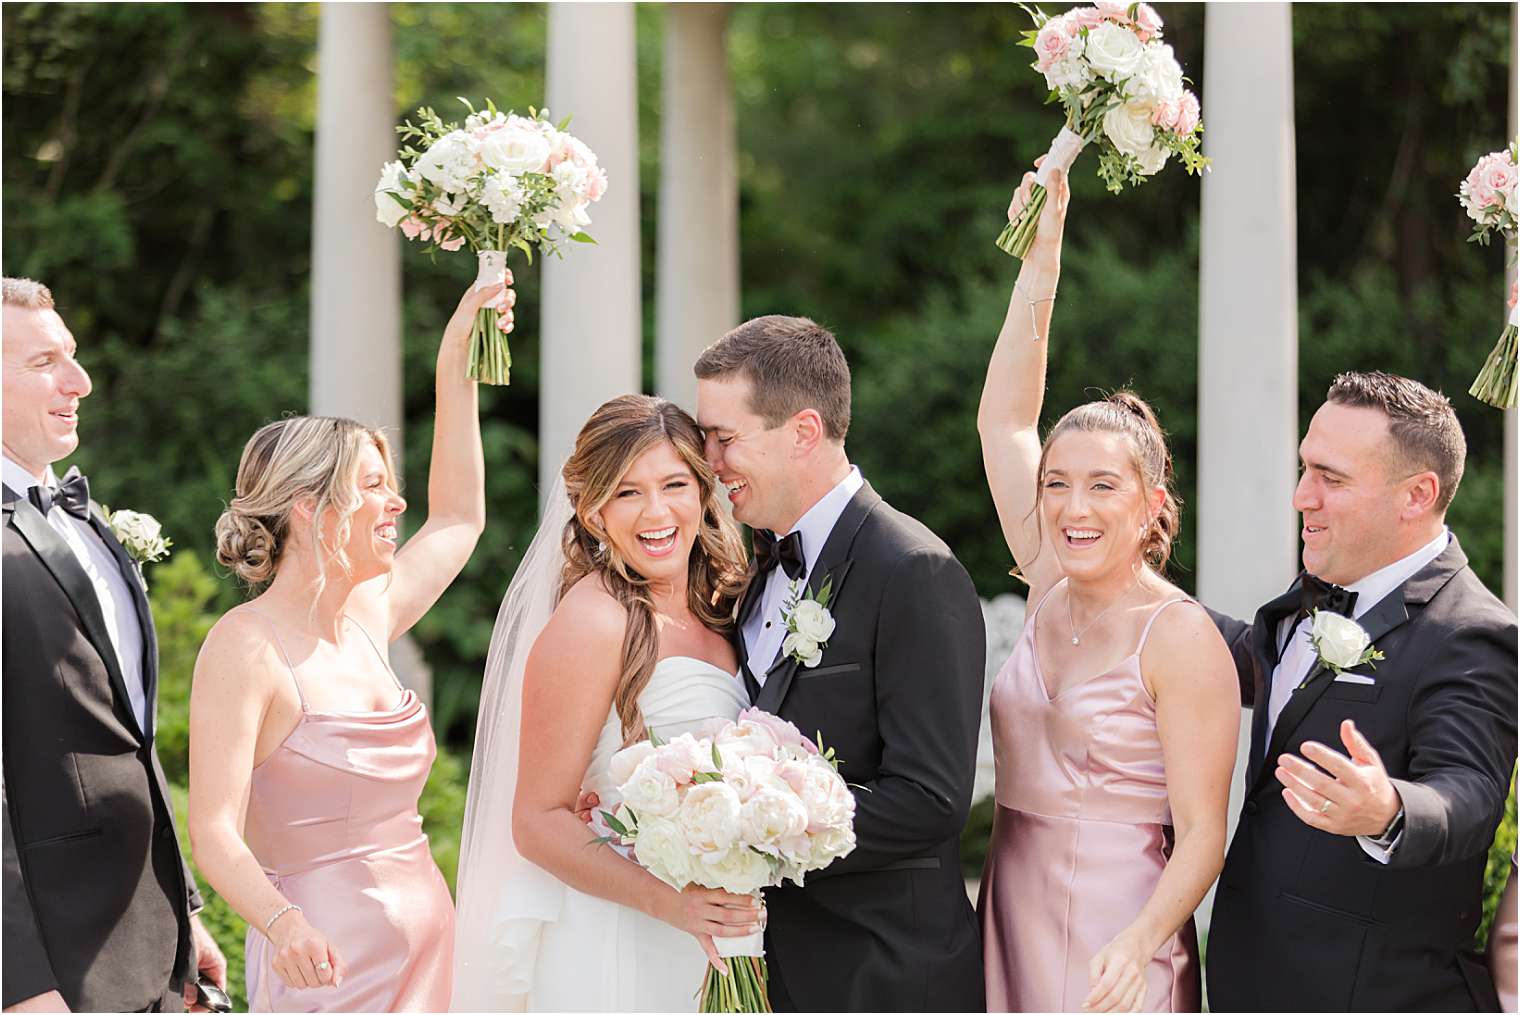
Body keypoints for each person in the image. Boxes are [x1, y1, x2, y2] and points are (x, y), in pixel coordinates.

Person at [187, 280, 501, 1011]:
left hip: (430, 946)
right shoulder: (246, 646)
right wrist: (282, 923)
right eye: (375, 486)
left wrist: (457, 356)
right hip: (325, 963)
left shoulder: (368, 617)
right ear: (311, 506)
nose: (397, 503)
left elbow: (458, 516)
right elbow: (212, 829)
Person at [975, 170, 1239, 1014]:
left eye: (1101, 487)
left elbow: (1202, 831)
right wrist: (1041, 254)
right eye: (1055, 484)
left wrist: (1138, 939)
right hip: (1010, 902)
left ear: (1151, 503)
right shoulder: (1048, 578)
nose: (1071, 507)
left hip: (1120, 931)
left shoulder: (1179, 634)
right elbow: (1004, 419)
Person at [692, 315, 987, 1012]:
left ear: (801, 431)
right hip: (777, 968)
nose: (708, 459)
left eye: (724, 437)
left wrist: (760, 833)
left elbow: (931, 799)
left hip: (884, 975)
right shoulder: (754, 572)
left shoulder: (915, 570)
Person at [1205, 370, 1518, 1011]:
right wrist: (1138, 603)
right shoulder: (1314, 596)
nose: (1301, 496)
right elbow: (1250, 664)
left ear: (1416, 495)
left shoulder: (1474, 633)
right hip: (1253, 982)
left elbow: (1468, 793)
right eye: (1303, 469)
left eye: (1331, 477)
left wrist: (1390, 811)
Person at [451, 393, 762, 1012]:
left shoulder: (729, 602)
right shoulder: (593, 622)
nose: (656, 511)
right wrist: (671, 904)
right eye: (627, 492)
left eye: (675, 483)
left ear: (703, 493)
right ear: (593, 512)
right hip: (624, 933)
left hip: (719, 928)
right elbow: (537, 821)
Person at [1, 276, 227, 1013]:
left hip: (149, 936)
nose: (81, 380)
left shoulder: (86, 518)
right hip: (53, 957)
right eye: (44, 363)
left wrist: (185, 913)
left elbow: (129, 735)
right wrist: (18, 980)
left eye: (72, 354)